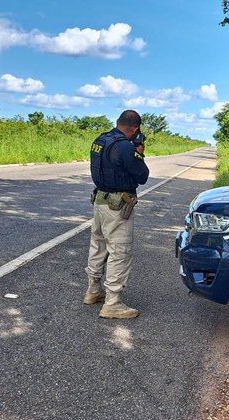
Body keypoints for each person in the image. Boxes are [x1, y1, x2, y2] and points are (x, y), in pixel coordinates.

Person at [84, 110, 149, 319]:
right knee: (119, 251)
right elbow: (142, 175)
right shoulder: (125, 147)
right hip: (117, 206)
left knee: (98, 246)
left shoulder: (100, 140)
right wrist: (139, 152)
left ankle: (93, 291)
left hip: (100, 201)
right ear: (135, 129)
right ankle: (112, 303)